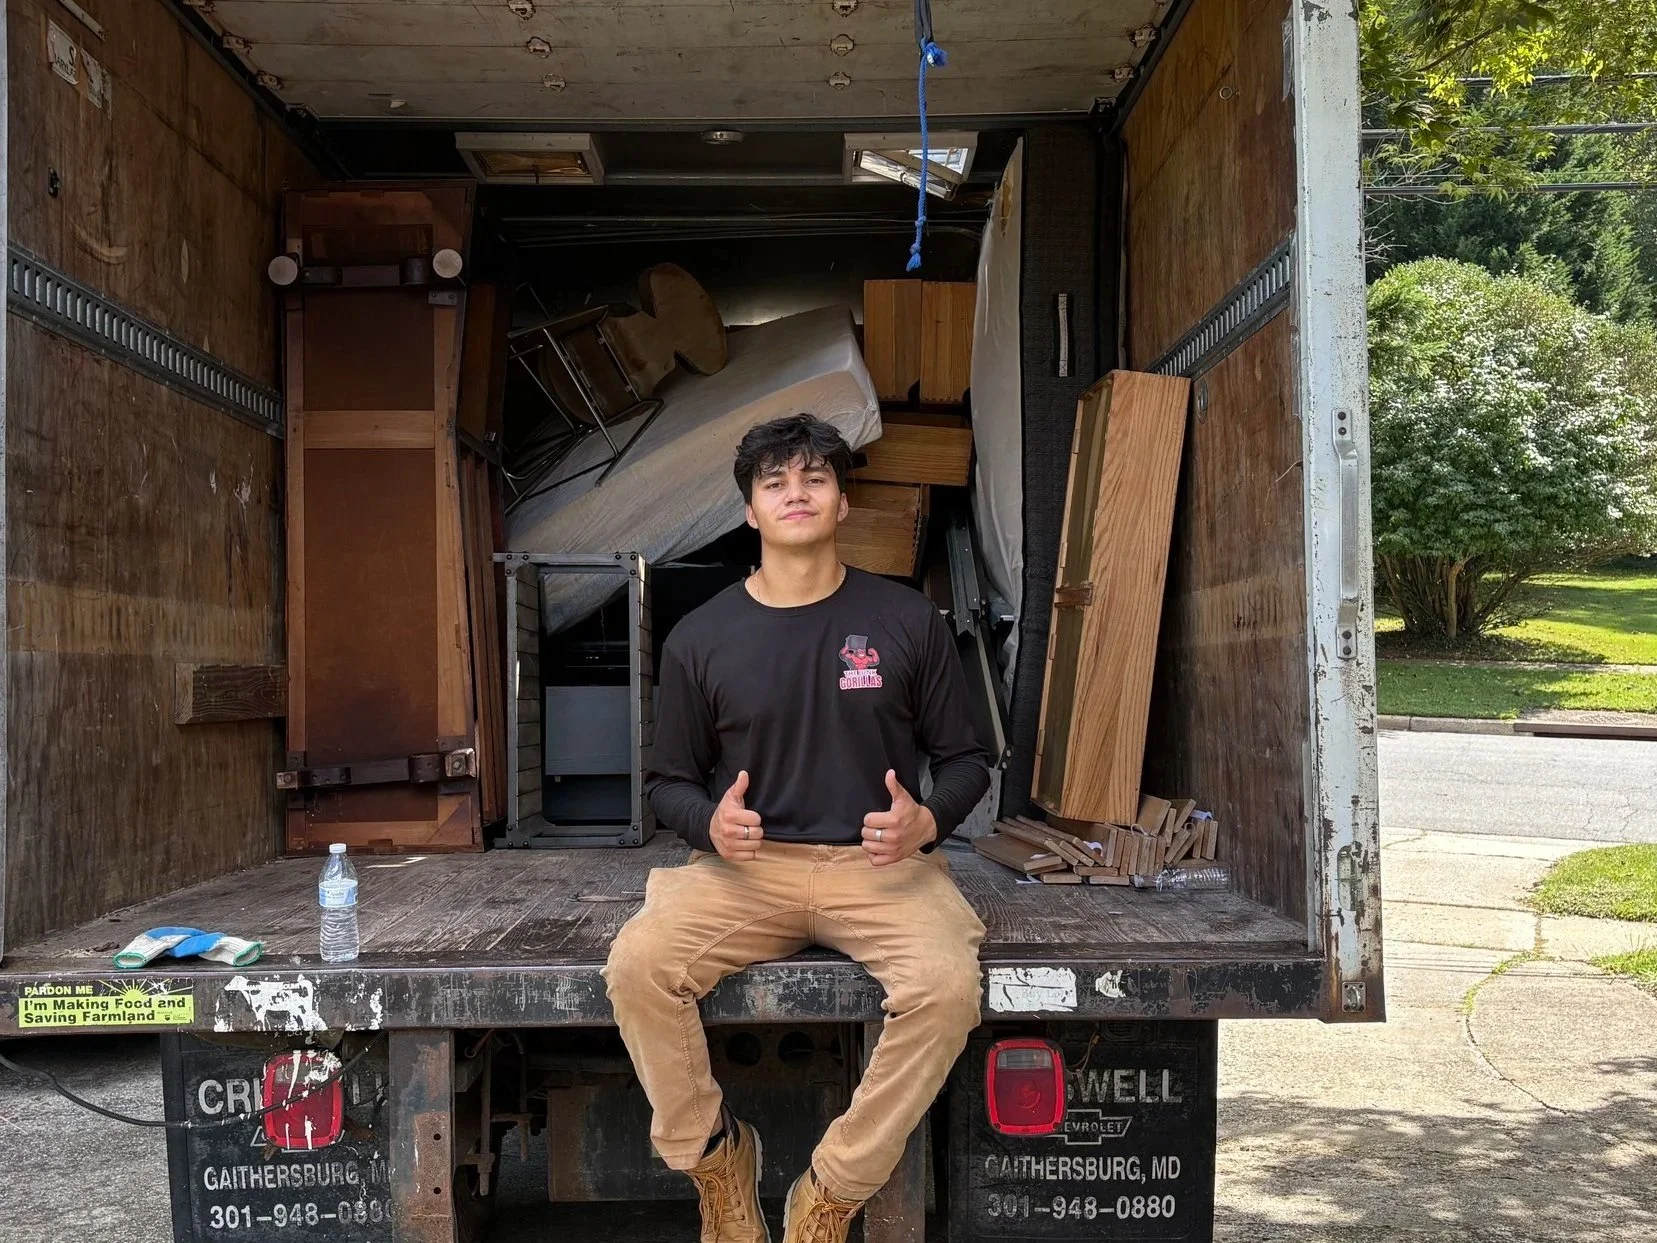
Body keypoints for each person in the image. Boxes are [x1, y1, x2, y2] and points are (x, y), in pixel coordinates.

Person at [603, 413, 991, 1243]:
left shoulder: (905, 620)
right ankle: (716, 1162)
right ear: (749, 511)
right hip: (748, 869)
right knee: (638, 965)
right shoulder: (700, 637)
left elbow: (967, 760)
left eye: (813, 478)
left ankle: (832, 1188)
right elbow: (665, 784)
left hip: (881, 869)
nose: (795, 493)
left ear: (843, 501)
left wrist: (925, 820)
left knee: (947, 989)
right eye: (774, 482)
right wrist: (712, 823)